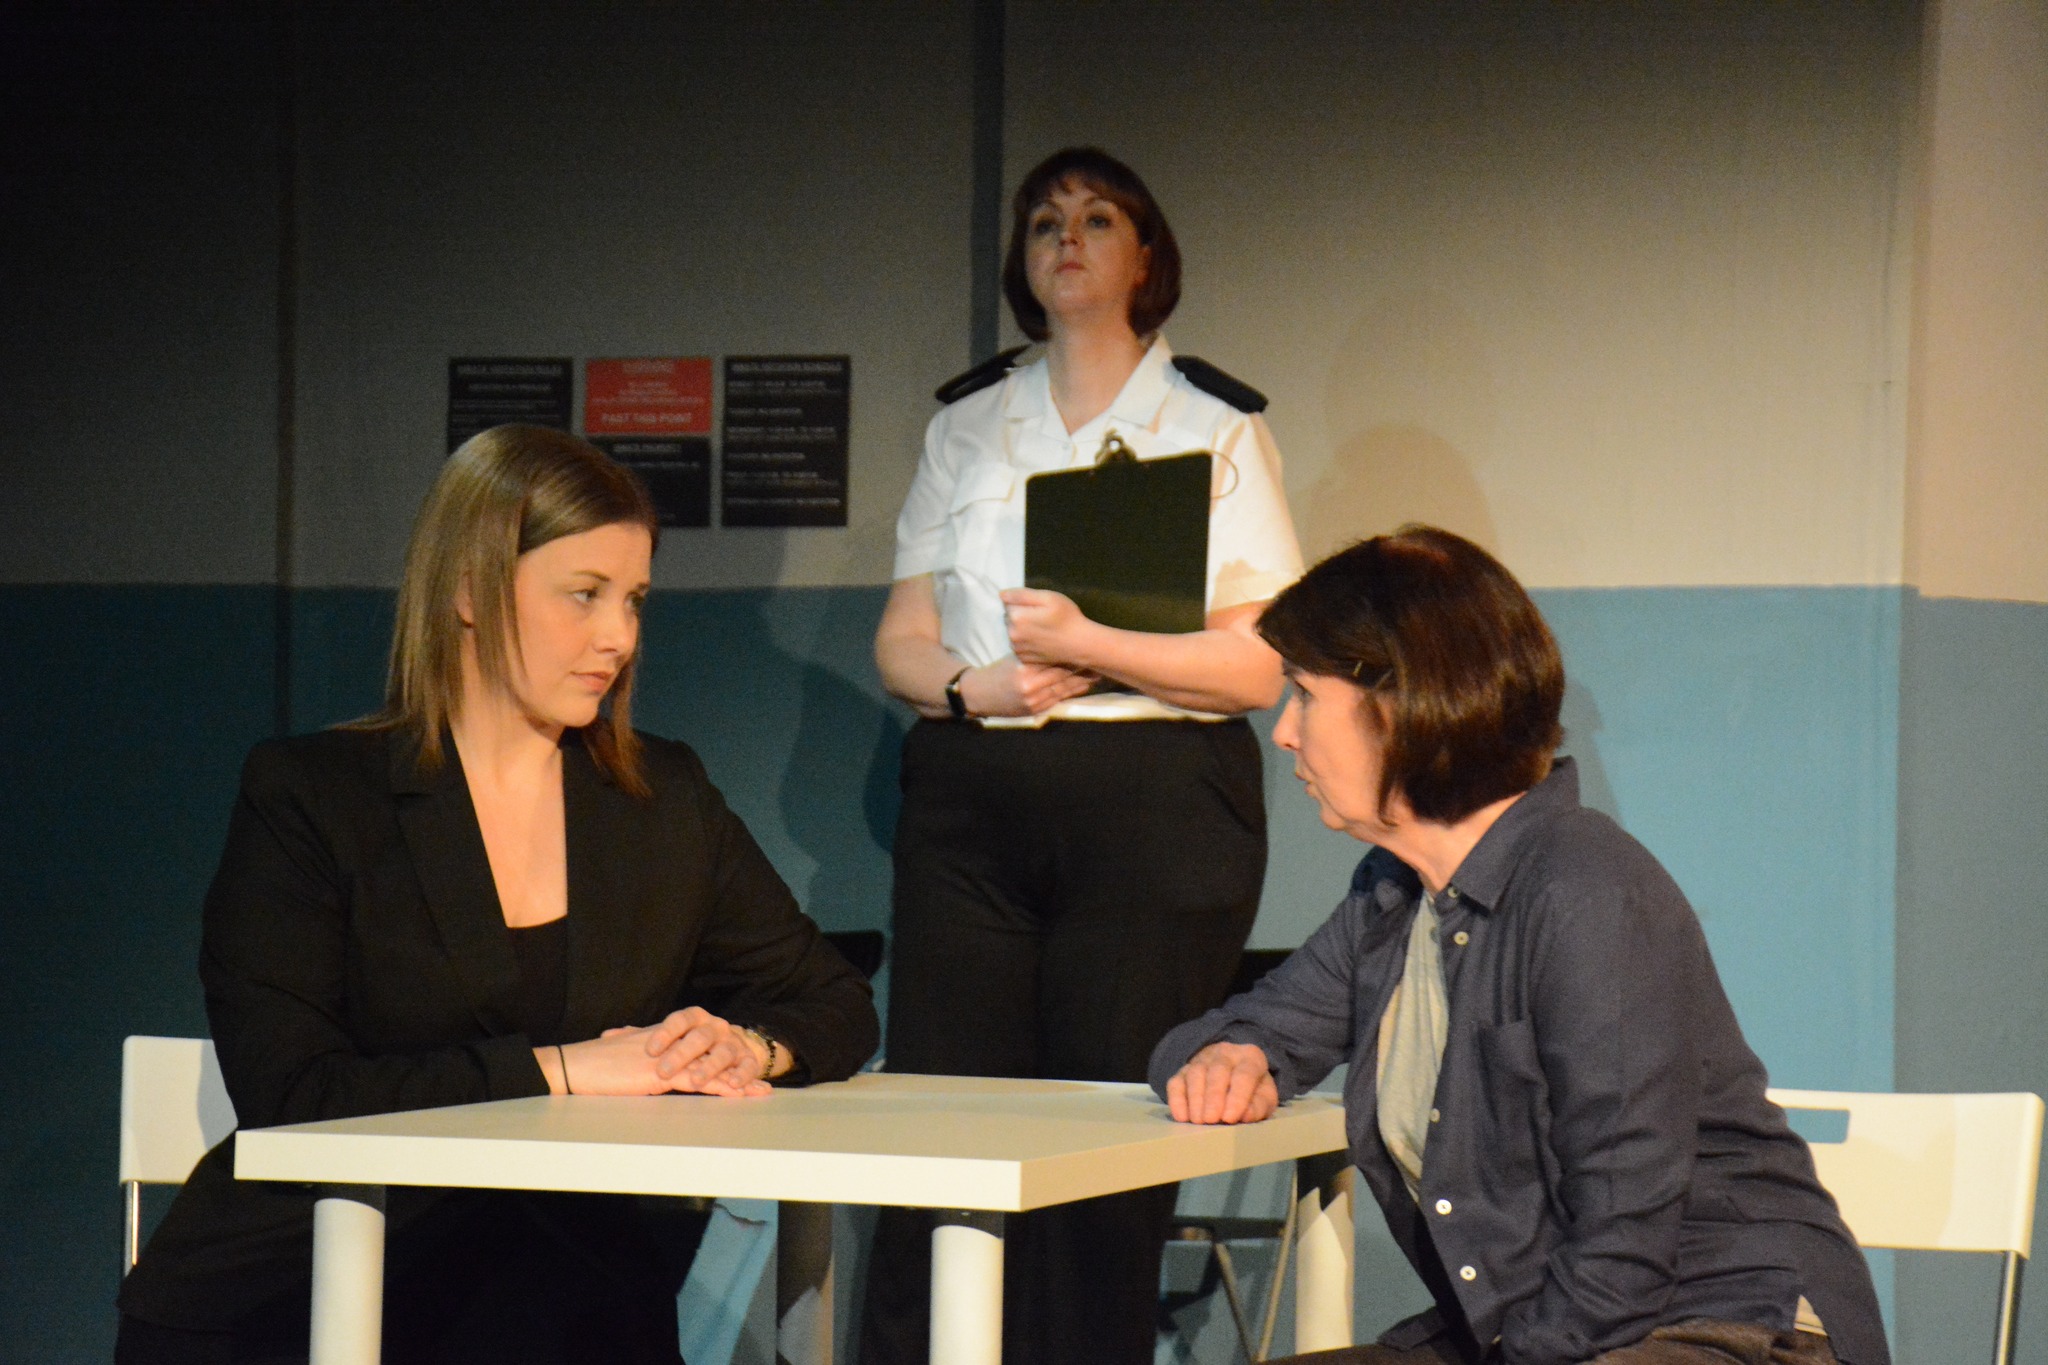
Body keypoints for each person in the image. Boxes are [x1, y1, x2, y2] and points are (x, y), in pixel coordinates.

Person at [116, 425, 880, 1365]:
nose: (619, 637)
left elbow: (834, 998)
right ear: (470, 591)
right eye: (584, 594)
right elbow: (296, 1091)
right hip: (310, 1289)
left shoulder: (662, 797)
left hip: (562, 1300)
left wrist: (747, 1045)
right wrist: (568, 1069)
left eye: (634, 600)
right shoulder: (313, 794)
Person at [1152, 526, 1889, 1365]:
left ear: (1400, 704)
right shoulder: (1391, 897)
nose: (1284, 731)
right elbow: (1250, 1026)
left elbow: (1622, 1247)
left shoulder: (1587, 890)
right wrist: (1230, 1055)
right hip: (1555, 1329)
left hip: (1725, 1324)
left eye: (1305, 694)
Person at [862, 146, 1304, 1365]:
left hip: (1151, 796)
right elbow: (900, 639)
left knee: (1102, 1140)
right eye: (1044, 221)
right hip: (975, 788)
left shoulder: (1211, 423)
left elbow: (1257, 664)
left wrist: (1095, 646)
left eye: (1097, 219)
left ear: (1145, 256)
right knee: (940, 1122)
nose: (1066, 238)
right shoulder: (966, 424)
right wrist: (977, 687)